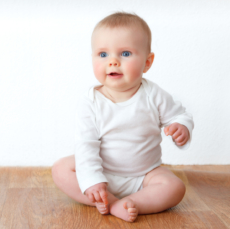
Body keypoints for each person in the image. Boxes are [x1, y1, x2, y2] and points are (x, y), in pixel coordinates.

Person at [51, 12, 194, 222]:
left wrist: (181, 127)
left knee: (175, 187)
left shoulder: (153, 94)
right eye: (103, 54)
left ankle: (131, 202)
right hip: (103, 172)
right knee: (61, 169)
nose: (113, 62)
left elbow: (180, 114)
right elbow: (86, 145)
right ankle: (106, 198)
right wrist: (92, 180)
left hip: (145, 175)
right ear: (92, 58)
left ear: (147, 62)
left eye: (125, 54)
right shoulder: (91, 102)